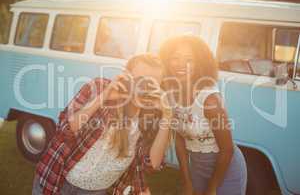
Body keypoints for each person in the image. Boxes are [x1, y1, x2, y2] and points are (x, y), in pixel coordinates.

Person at [32, 54, 171, 195]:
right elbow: (66, 129)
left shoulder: (155, 115)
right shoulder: (99, 87)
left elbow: (152, 165)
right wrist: (104, 96)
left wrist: (167, 115)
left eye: (152, 85)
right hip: (57, 176)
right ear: (126, 76)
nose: (145, 89)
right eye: (140, 81)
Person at [159, 35, 247, 195]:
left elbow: (227, 150)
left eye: (189, 59)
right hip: (197, 167)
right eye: (175, 58)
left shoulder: (210, 101)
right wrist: (187, 181)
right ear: (166, 61)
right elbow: (179, 138)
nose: (181, 65)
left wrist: (212, 189)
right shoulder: (169, 95)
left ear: (199, 63)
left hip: (225, 169)